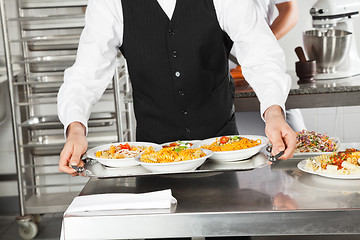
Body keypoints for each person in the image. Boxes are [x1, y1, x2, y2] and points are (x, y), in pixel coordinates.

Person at [58, 0, 296, 239]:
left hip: (222, 153)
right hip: (153, 160)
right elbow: (85, 75)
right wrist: (75, 128)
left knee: (227, 232)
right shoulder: (110, 4)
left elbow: (261, 54)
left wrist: (274, 112)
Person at [232, 0, 307, 134]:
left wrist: (260, 47)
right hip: (216, 80)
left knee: (296, 141)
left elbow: (289, 11)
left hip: (263, 69)